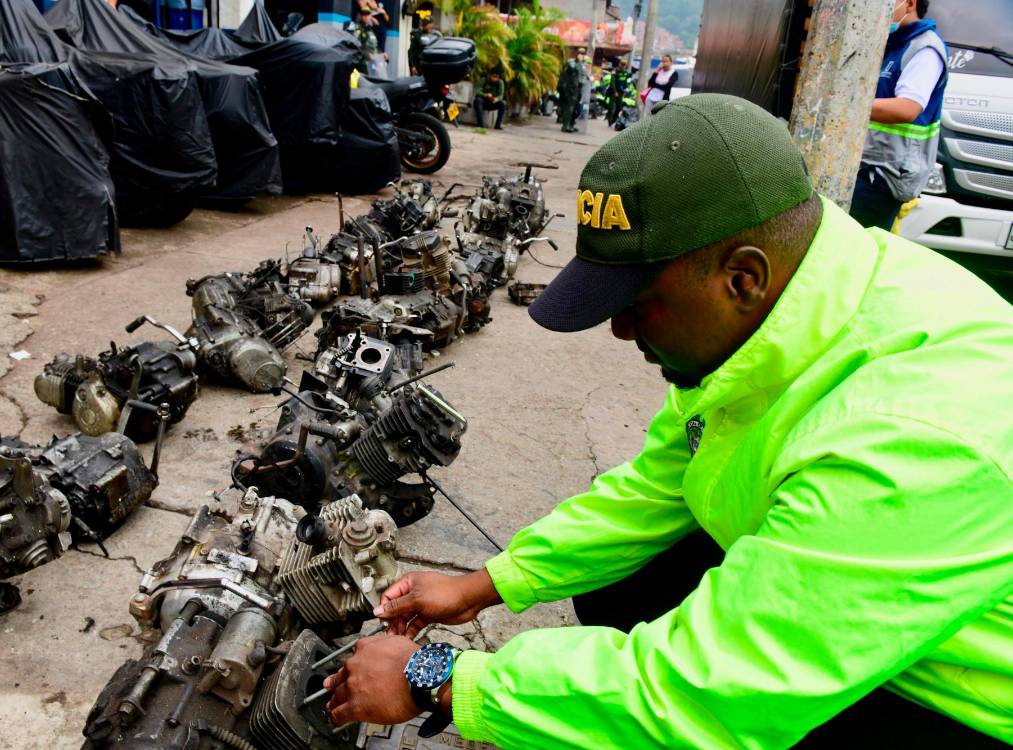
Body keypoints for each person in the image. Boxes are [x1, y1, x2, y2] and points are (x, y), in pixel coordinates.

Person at [321, 94, 1013, 749]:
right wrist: (485, 585)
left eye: (637, 302)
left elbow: (714, 690)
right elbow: (658, 485)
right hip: (870, 628)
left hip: (953, 704)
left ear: (742, 279)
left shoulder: (913, 436)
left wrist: (436, 679)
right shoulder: (788, 316)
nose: (619, 329)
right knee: (624, 573)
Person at [850, 0, 947, 230]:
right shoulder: (894, 44)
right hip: (869, 167)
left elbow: (908, 108)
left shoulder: (925, 48)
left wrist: (848, 105)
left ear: (910, 3)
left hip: (885, 175)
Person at [557, 56, 583, 133]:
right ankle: (566, 125)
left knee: (573, 108)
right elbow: (573, 69)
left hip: (573, 89)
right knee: (569, 107)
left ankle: (570, 124)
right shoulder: (572, 65)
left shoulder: (576, 67)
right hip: (569, 90)